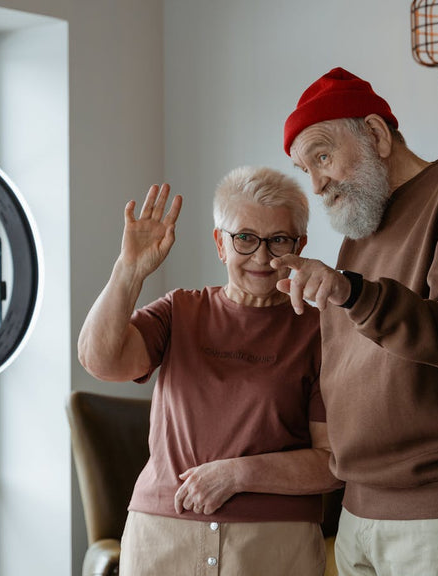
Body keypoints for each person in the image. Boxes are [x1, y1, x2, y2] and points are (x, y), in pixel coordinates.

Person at [272, 66, 438, 575]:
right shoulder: (360, 233)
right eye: (307, 169)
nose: (318, 183)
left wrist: (351, 291)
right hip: (360, 511)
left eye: (323, 156)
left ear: (375, 133)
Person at [77, 166, 342, 575]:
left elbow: (333, 462)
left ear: (300, 245)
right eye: (245, 238)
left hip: (272, 545)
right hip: (161, 538)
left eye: (278, 241)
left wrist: (237, 474)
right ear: (221, 243)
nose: (262, 257)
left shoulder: (320, 331)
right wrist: (129, 270)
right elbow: (100, 360)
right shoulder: (181, 310)